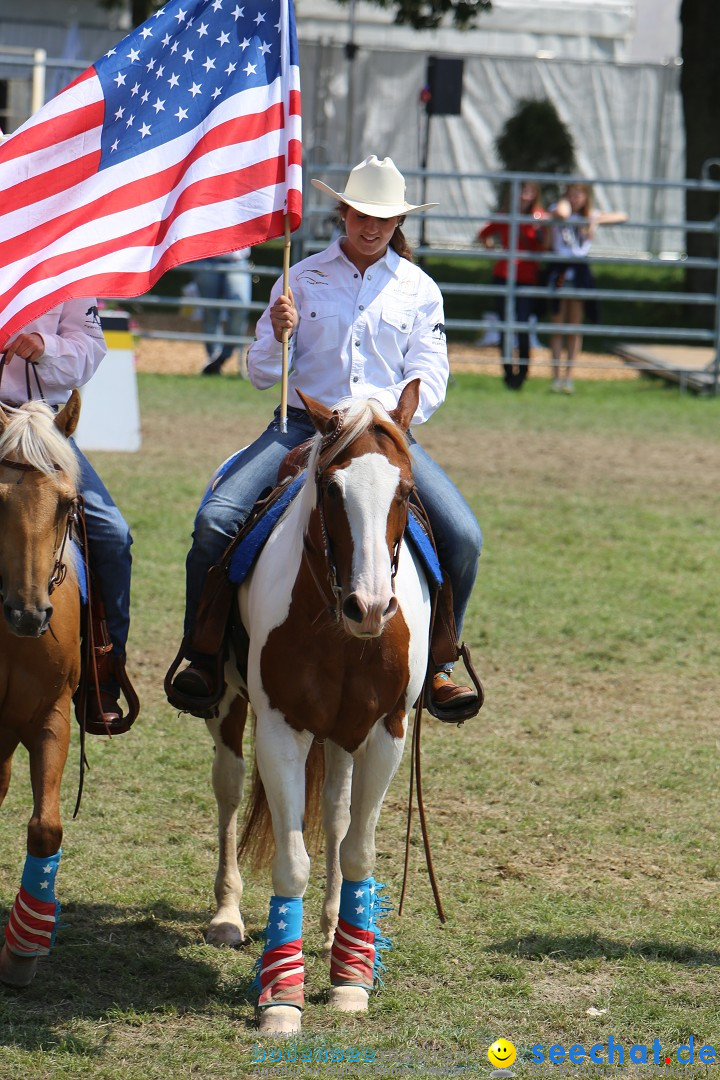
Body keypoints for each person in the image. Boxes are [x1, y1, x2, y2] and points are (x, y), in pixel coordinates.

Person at [170, 155, 483, 720]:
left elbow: (431, 373)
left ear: (398, 224)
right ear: (343, 212)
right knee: (216, 521)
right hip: (301, 425)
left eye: (384, 219)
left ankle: (439, 662)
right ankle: (204, 654)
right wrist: (278, 336)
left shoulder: (419, 289)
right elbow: (261, 371)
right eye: (362, 214)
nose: (372, 227)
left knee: (464, 535)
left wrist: (394, 419)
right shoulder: (301, 277)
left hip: (384, 437)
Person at [0, 301, 135, 732]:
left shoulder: (68, 262)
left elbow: (90, 351)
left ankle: (102, 671)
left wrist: (43, 346)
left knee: (112, 535)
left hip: (45, 429)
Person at [546, 184, 626, 394]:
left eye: (579, 195)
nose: (574, 199)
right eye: (570, 194)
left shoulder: (590, 215)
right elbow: (561, 213)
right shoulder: (559, 209)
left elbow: (621, 216)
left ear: (586, 197)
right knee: (557, 326)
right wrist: (567, 203)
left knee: (574, 327)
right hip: (561, 271)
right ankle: (555, 378)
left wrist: (595, 219)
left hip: (580, 272)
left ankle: (568, 378)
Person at [477, 181, 548, 390]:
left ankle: (523, 374)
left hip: (527, 277)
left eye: (529, 191)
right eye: (522, 191)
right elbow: (484, 234)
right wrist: (496, 252)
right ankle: (508, 373)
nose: (525, 195)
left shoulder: (540, 218)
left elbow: (545, 246)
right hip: (504, 275)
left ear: (535, 194)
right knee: (505, 326)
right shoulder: (505, 215)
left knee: (523, 325)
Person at [193, 249, 252, 376]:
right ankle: (214, 359)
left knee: (239, 309)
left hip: (237, 259)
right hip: (206, 257)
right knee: (210, 312)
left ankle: (222, 357)